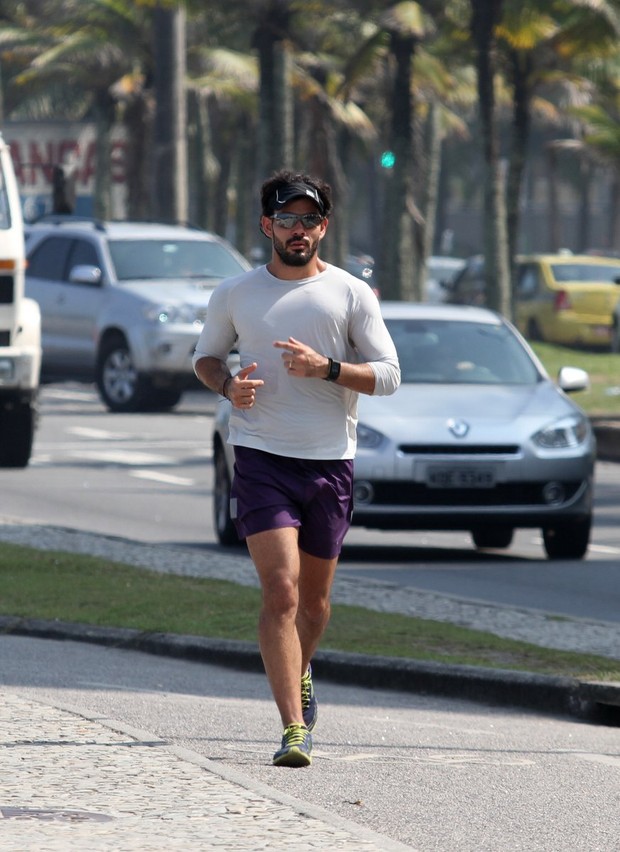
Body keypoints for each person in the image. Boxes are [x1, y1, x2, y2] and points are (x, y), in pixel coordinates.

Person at [193, 170, 400, 767]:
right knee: (280, 593)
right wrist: (230, 386)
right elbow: (205, 359)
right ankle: (292, 730)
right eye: (288, 219)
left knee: (314, 606)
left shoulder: (350, 294)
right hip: (260, 457)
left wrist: (328, 369)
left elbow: (388, 375)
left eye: (310, 220)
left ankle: (301, 670)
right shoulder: (235, 293)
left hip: (330, 462)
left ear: (324, 228)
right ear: (267, 226)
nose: (299, 229)